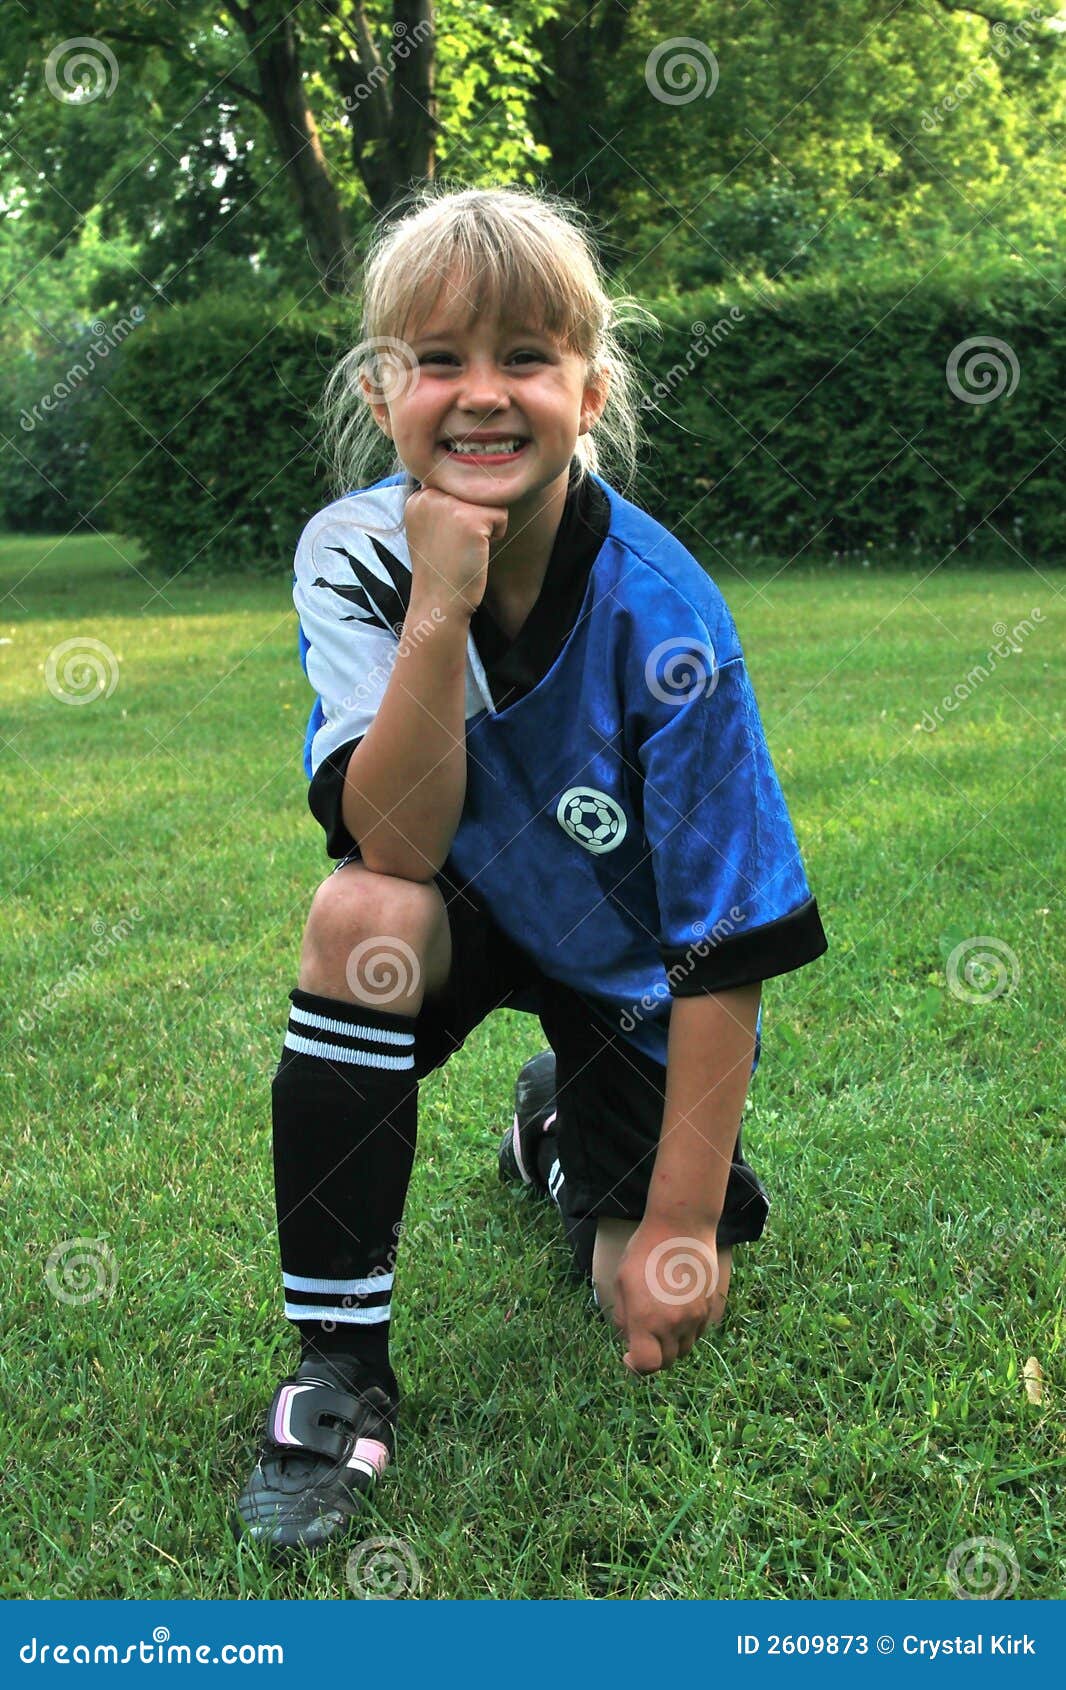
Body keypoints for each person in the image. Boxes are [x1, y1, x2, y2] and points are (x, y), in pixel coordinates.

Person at [233, 184, 828, 1556]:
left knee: (638, 1297)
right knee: (357, 912)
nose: (481, 395)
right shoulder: (351, 552)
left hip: (623, 971)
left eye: (524, 358)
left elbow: (725, 939)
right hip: (459, 905)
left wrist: (678, 1220)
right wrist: (437, 603)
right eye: (439, 359)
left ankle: (555, 1130)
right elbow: (395, 839)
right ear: (386, 389)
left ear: (590, 385)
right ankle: (338, 1370)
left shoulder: (665, 611)